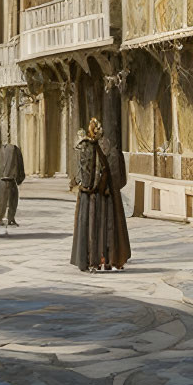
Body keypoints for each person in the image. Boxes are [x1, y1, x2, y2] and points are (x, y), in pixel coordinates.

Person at [71, 116, 130, 271]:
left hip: (93, 193)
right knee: (106, 226)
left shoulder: (85, 147)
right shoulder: (107, 148)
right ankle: (107, 259)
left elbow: (79, 175)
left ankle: (93, 260)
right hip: (105, 193)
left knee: (93, 225)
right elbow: (116, 175)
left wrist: (86, 187)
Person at [0, 137, 26, 228]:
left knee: (2, 200)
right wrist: (20, 178)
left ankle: (0, 219)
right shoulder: (15, 150)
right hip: (11, 179)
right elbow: (20, 165)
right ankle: (9, 219)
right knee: (12, 200)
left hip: (2, 179)